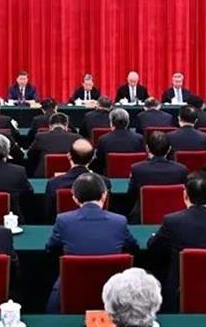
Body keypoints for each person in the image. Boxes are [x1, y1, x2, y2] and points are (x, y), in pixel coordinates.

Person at [147, 172, 206, 310]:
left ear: (185, 195)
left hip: (180, 292)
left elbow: (153, 247)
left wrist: (153, 236)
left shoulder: (172, 221)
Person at [45, 173, 139, 312]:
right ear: (104, 195)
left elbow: (50, 248)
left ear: (75, 198)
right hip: (114, 292)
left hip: (72, 289)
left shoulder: (63, 220)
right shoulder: (119, 221)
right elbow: (134, 248)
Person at [127, 131, 188, 223]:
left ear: (147, 148)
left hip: (142, 218)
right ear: (169, 149)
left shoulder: (137, 169)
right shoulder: (181, 170)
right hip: (176, 218)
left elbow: (131, 195)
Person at [45, 138, 111, 220]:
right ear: (92, 158)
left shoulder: (53, 183)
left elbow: (49, 214)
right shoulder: (104, 182)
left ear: (69, 156)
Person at [28, 112, 81, 177]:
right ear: (66, 126)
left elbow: (30, 154)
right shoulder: (77, 138)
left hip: (43, 176)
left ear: (50, 126)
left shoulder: (40, 136)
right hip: (72, 176)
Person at [95, 108, 144, 173]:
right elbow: (142, 161)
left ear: (111, 123)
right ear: (128, 122)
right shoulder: (139, 138)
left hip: (109, 176)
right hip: (134, 175)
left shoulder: (103, 139)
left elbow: (99, 163)